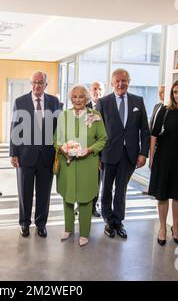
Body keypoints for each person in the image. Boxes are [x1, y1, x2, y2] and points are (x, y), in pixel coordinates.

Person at [96, 68, 150, 239]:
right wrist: (97, 156)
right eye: (117, 81)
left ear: (129, 82)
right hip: (108, 153)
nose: (121, 84)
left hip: (129, 155)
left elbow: (144, 130)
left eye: (124, 80)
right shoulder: (103, 102)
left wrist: (143, 153)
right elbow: (97, 131)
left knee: (121, 190)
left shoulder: (138, 101)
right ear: (112, 83)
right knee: (106, 190)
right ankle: (108, 220)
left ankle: (118, 221)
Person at [9, 71, 60, 238]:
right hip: (25, 155)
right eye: (34, 82)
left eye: (41, 82)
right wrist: (13, 153)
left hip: (47, 155)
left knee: (44, 193)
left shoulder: (54, 102)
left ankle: (41, 223)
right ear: (30, 84)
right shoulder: (20, 101)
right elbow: (15, 127)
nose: (37, 85)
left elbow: (58, 128)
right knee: (25, 192)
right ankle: (24, 223)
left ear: (46, 85)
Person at [55, 85, 107, 246]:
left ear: (87, 99)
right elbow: (56, 138)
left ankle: (84, 233)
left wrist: (90, 149)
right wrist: (62, 149)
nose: (78, 100)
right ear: (71, 99)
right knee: (68, 197)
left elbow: (103, 139)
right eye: (75, 97)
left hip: (87, 164)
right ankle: (68, 229)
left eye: (81, 97)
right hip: (67, 163)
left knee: (85, 199)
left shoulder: (95, 115)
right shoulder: (64, 115)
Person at [148, 80, 178, 246]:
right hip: (164, 157)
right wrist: (151, 157)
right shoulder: (165, 111)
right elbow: (153, 134)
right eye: (175, 92)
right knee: (162, 194)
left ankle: (175, 228)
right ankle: (162, 228)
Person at [86, 81, 105, 217]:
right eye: (94, 89)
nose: (97, 91)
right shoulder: (82, 106)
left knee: (96, 181)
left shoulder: (107, 105)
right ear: (90, 91)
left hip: (98, 152)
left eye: (99, 89)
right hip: (83, 150)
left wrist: (101, 155)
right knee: (82, 180)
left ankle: (93, 207)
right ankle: (81, 205)